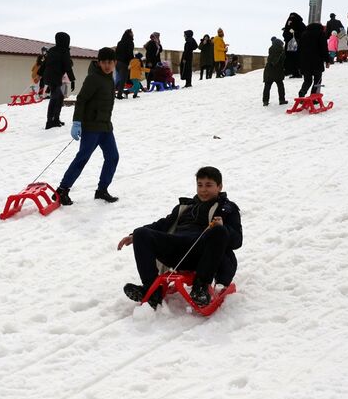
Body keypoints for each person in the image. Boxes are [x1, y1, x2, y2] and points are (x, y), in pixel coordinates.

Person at [119, 166, 242, 308]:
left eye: (209, 185)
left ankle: (200, 288)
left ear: (219, 187)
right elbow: (163, 224)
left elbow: (237, 240)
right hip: (177, 249)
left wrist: (223, 228)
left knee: (219, 232)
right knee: (141, 233)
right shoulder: (185, 206)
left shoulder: (227, 209)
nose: (203, 189)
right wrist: (134, 236)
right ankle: (152, 289)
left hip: (204, 254)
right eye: (200, 185)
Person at [53, 48, 119, 206]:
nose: (107, 65)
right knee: (82, 158)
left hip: (105, 126)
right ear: (99, 62)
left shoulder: (109, 78)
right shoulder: (93, 78)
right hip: (91, 127)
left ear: (115, 63)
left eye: (110, 62)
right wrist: (77, 122)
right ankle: (62, 190)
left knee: (113, 157)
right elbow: (81, 100)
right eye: (104, 62)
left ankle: (102, 190)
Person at [39, 31, 76, 129]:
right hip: (54, 77)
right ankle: (49, 121)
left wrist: (39, 74)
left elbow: (44, 63)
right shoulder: (64, 51)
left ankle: (55, 119)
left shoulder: (52, 50)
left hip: (50, 76)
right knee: (55, 98)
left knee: (59, 98)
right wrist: (72, 80)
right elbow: (68, 66)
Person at [297, 23, 330, 98]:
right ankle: (314, 97)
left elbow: (299, 49)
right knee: (317, 80)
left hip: (305, 62)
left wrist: (299, 63)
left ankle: (302, 92)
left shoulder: (304, 34)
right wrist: (327, 60)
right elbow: (324, 48)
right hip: (317, 62)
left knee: (307, 80)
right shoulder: (321, 34)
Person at [263, 37, 287, 107]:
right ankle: (282, 100)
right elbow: (283, 62)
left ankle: (265, 101)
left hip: (268, 70)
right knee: (280, 86)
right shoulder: (281, 52)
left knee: (267, 86)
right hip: (277, 71)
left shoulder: (270, 50)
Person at [282, 12, 306, 78]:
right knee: (294, 58)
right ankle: (295, 72)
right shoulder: (300, 23)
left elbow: (286, 32)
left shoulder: (290, 22)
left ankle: (294, 72)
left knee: (292, 58)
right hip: (295, 42)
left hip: (292, 42)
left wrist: (293, 34)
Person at [115, 29, 134, 99]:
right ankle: (119, 95)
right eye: (132, 33)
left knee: (118, 79)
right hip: (124, 63)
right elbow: (130, 53)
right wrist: (131, 62)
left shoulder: (119, 42)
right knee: (123, 80)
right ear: (129, 34)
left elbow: (116, 53)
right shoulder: (130, 42)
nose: (133, 34)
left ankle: (112, 93)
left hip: (118, 63)